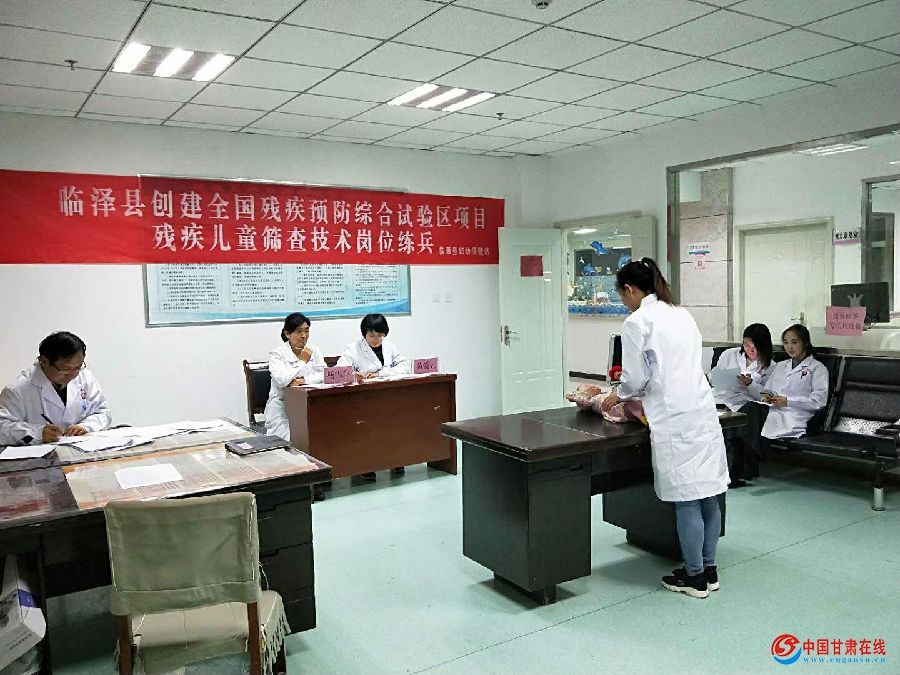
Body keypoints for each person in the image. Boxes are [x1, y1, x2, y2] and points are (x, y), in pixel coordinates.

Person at [600, 258, 728, 599]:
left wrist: (617, 395)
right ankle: (709, 570)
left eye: (621, 295)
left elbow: (634, 379)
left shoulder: (637, 321)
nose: (623, 302)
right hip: (702, 409)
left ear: (630, 289)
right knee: (709, 493)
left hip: (674, 416)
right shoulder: (680, 312)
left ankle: (694, 577)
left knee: (686, 499)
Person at [0, 331, 112, 445]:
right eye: (65, 369)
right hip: (38, 453)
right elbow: (2, 427)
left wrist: (86, 427)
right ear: (44, 361)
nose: (73, 374)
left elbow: (102, 412)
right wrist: (37, 433)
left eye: (78, 367)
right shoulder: (17, 390)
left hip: (81, 449)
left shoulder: (85, 377)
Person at [338, 313, 410, 480]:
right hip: (363, 400)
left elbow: (404, 366)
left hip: (388, 396)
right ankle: (366, 465)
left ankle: (395, 459)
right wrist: (354, 375)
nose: (376, 340)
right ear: (364, 334)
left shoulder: (390, 346)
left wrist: (380, 374)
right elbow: (341, 370)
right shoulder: (353, 349)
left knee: (395, 424)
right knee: (367, 429)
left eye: (380, 336)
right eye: (372, 336)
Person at [264, 313, 327, 500]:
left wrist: (303, 380)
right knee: (293, 441)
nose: (304, 336)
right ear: (287, 334)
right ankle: (299, 485)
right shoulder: (277, 354)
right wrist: (302, 362)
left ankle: (316, 479)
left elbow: (324, 375)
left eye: (307, 331)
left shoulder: (314, 350)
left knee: (320, 436)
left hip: (309, 405)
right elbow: (282, 379)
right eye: (299, 331)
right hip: (282, 407)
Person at [746, 324, 829, 458]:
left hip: (794, 415)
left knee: (749, 421)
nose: (789, 347)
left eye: (794, 342)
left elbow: (818, 402)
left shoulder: (818, 368)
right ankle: (747, 462)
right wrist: (759, 391)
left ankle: (748, 462)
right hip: (771, 410)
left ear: (805, 342)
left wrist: (788, 402)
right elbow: (767, 391)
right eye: (786, 343)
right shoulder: (780, 366)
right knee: (747, 412)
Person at [709, 323, 774, 488]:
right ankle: (728, 469)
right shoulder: (729, 354)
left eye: (754, 346)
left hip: (745, 403)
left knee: (743, 416)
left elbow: (766, 396)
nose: (750, 349)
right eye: (746, 344)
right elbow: (714, 376)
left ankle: (735, 470)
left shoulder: (771, 367)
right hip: (720, 397)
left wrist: (750, 384)